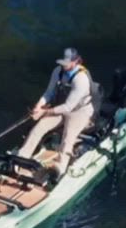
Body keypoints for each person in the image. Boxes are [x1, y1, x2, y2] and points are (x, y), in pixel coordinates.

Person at [17, 47, 94, 178]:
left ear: (76, 62)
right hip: (61, 107)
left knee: (68, 137)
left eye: (67, 63)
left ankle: (60, 168)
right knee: (39, 127)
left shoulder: (81, 79)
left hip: (79, 111)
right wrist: (38, 106)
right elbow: (49, 93)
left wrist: (44, 112)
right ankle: (21, 157)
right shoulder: (57, 71)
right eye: (63, 62)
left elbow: (69, 107)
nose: (63, 66)